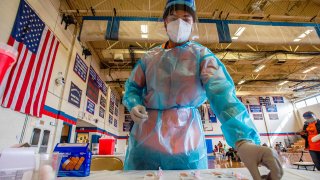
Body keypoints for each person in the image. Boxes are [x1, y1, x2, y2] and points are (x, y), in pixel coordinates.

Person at [122, 0, 283, 179]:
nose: (179, 23)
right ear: (165, 22)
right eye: (173, 17)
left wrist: (243, 140)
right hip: (145, 139)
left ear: (193, 23)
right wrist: (134, 103)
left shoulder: (202, 56)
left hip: (186, 141)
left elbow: (223, 95)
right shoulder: (149, 58)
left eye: (186, 18)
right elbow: (132, 88)